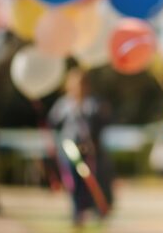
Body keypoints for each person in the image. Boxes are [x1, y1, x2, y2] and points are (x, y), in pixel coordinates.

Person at [49, 67, 115, 227]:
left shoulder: (93, 103)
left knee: (92, 182)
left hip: (90, 151)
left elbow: (102, 122)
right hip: (70, 150)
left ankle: (96, 210)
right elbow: (53, 121)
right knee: (73, 183)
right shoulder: (64, 104)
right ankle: (76, 213)